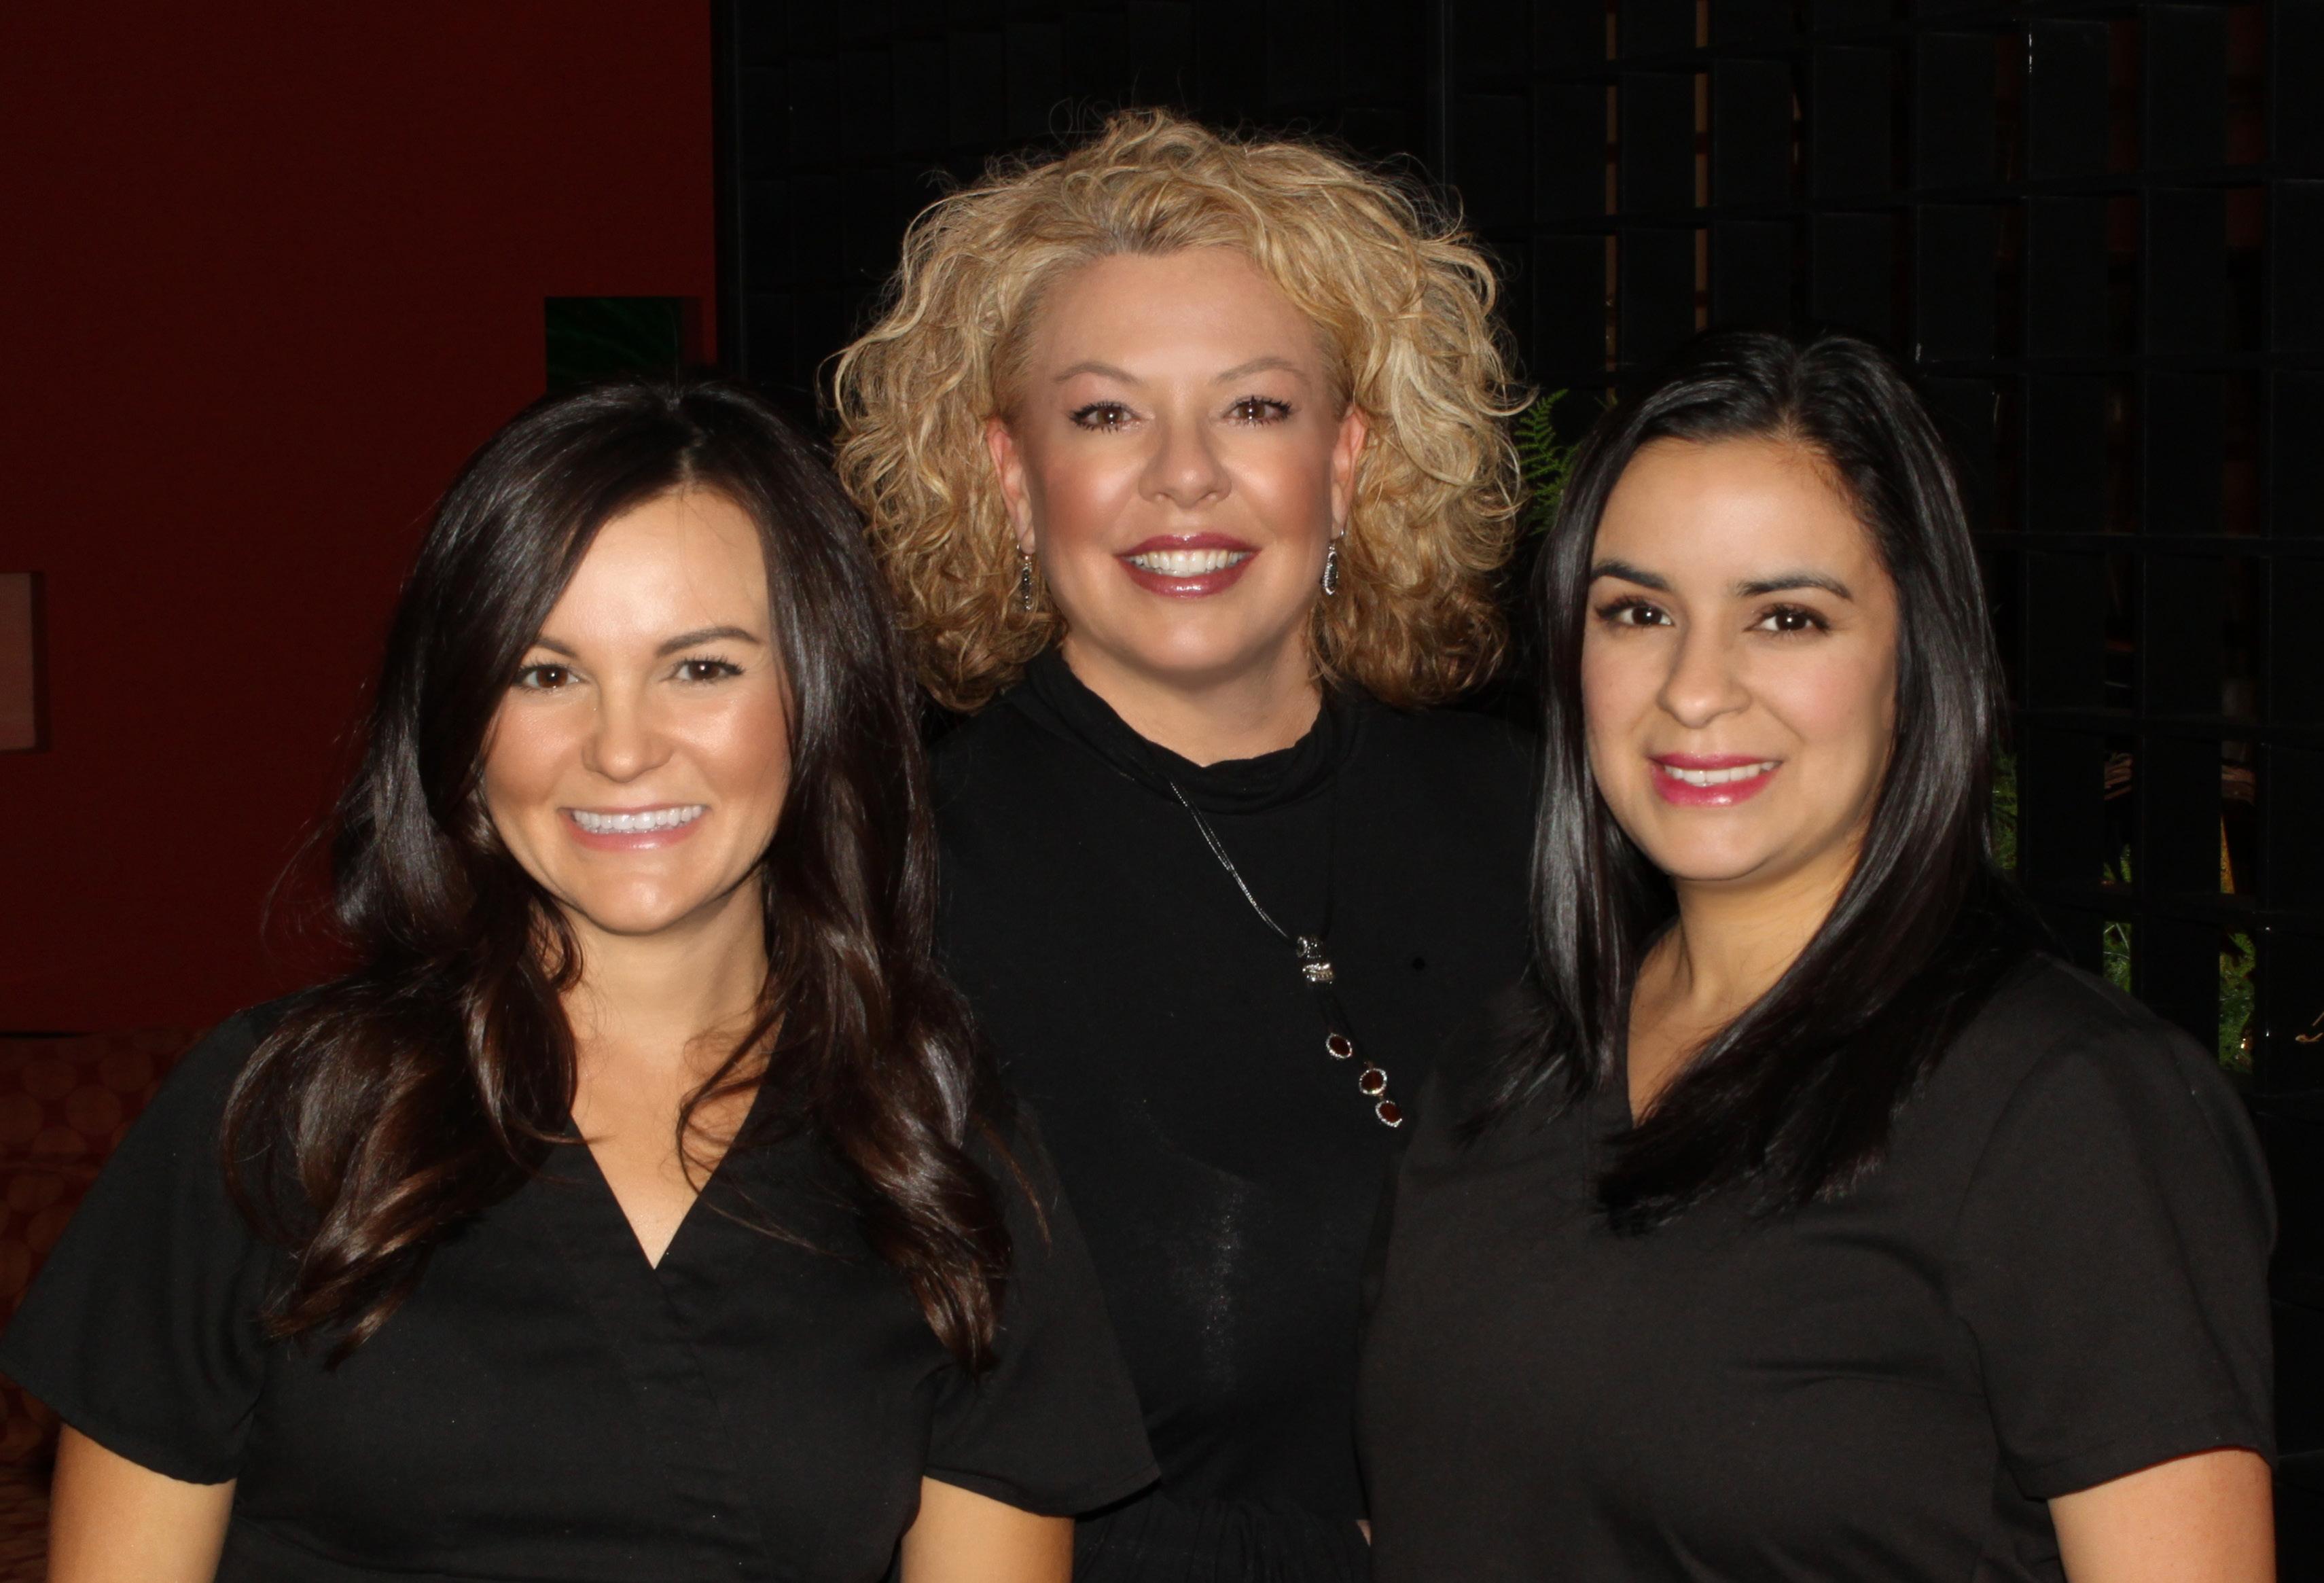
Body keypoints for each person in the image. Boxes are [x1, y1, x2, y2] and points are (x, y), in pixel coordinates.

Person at [1, 378, 1155, 1582]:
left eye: (699, 667)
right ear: (462, 721)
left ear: (819, 696)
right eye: (545, 674)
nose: (621, 747)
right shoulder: (281, 1112)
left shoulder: (943, 1154)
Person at [1358, 330, 2275, 1581]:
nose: (1693, 688)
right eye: (1637, 611)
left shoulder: (2064, 1107)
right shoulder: (1504, 1065)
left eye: (1786, 617)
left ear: (1915, 663)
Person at [832, 109, 1536, 1580]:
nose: (1185, 476)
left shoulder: (1547, 827)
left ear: (1348, 460)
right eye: (1106, 416)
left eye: (1254, 408)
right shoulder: (890, 897)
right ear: (1007, 473)